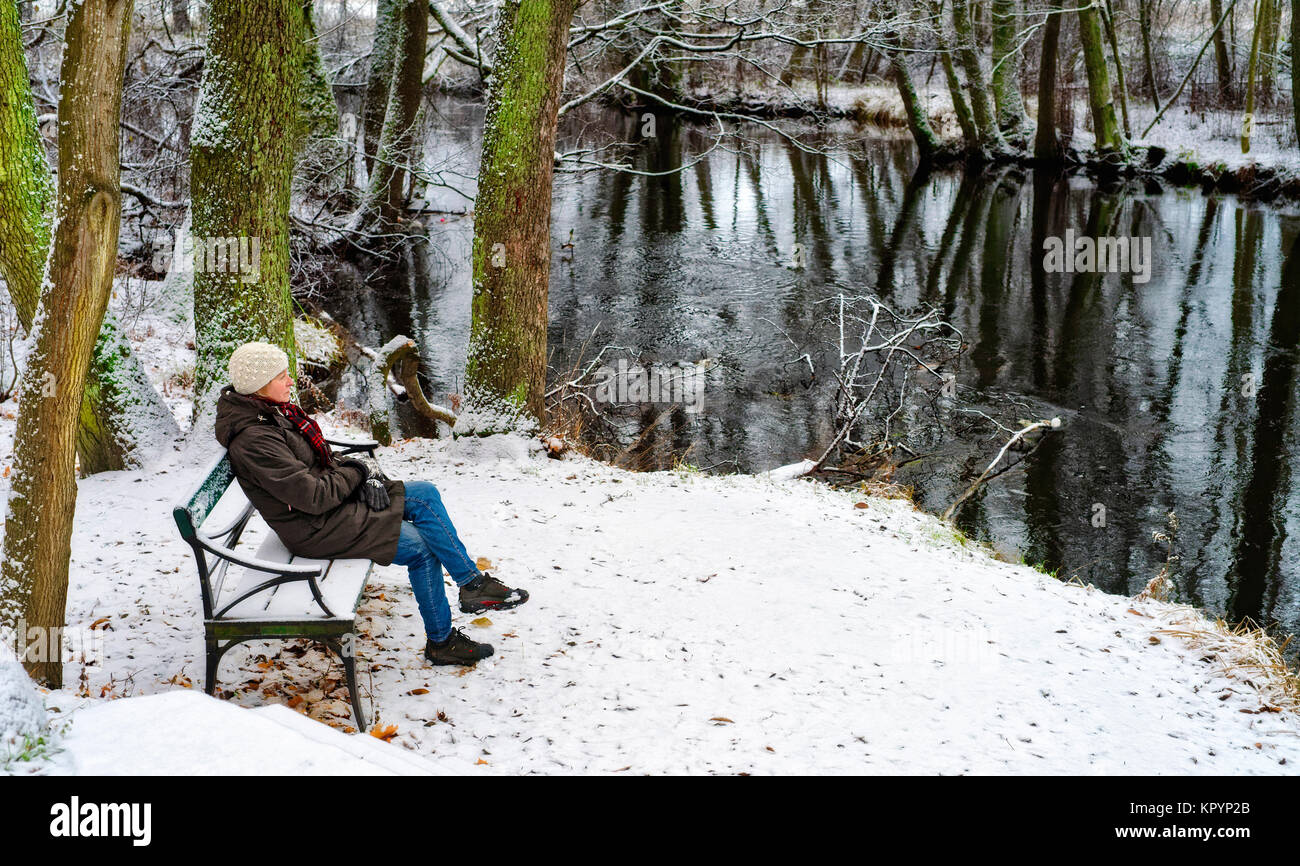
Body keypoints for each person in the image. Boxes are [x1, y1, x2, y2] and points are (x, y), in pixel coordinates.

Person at [212, 341, 527, 666]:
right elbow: (314, 496)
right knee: (421, 547)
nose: (290, 381)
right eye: (282, 376)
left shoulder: (274, 414)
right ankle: (442, 642)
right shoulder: (255, 438)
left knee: (425, 494)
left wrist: (368, 476)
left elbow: (320, 467)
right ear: (260, 384)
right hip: (315, 527)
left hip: (331, 507)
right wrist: (359, 470)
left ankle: (472, 584)